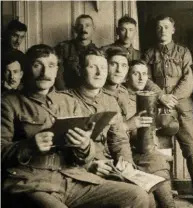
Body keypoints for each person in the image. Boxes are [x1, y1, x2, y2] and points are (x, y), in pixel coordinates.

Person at [1, 44, 150, 208]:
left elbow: (83, 157)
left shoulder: (68, 103)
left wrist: (85, 146)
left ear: (57, 69)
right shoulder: (8, 103)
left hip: (73, 178)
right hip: (32, 181)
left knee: (137, 196)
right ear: (27, 69)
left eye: (51, 66)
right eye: (38, 65)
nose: (45, 72)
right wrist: (28, 146)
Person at [144, 15, 193, 205]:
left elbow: (189, 79)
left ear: (173, 30)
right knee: (161, 151)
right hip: (159, 108)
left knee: (192, 149)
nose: (162, 30)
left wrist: (172, 98)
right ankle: (167, 192)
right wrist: (160, 96)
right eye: (159, 27)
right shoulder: (149, 54)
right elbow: (145, 78)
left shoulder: (183, 52)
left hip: (182, 107)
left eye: (166, 27)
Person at [103, 48, 177, 207]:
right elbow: (98, 136)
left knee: (156, 160)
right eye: (113, 64)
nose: (118, 70)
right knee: (147, 197)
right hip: (109, 155)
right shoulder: (98, 94)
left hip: (132, 150)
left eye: (123, 66)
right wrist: (127, 125)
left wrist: (149, 139)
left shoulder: (124, 93)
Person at [55, 14, 98, 90]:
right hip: (67, 92)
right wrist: (65, 94)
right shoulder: (63, 48)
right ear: (75, 29)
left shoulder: (98, 52)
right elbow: (57, 75)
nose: (83, 29)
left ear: (93, 29)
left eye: (87, 25)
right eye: (80, 26)